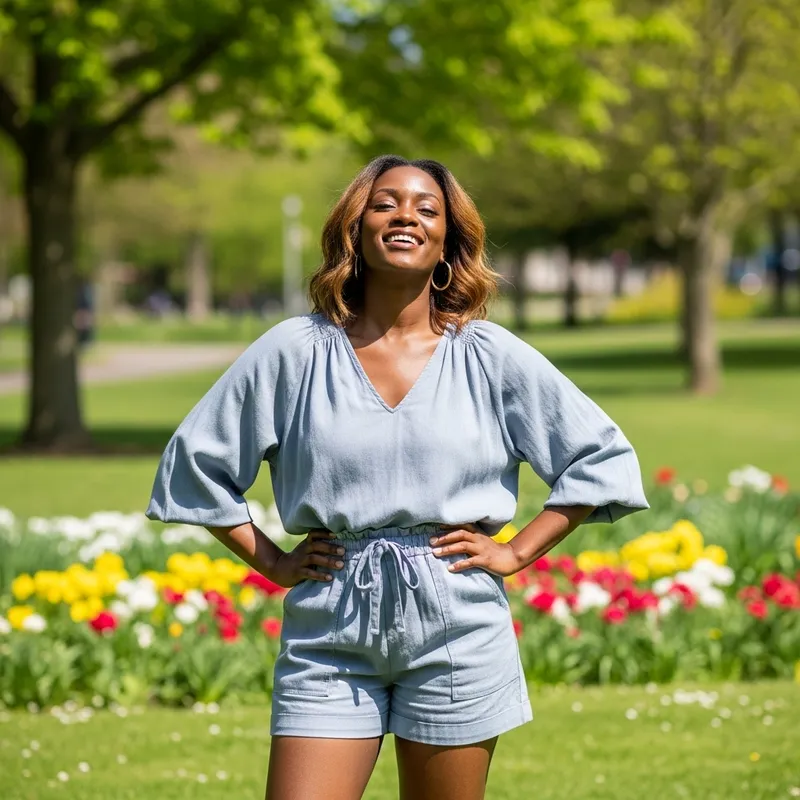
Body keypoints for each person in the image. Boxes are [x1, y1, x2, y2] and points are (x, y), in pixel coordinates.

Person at [146, 155, 649, 800]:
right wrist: (270, 559)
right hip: (330, 621)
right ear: (355, 230)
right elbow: (198, 464)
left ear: (447, 242)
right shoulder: (295, 351)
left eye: (427, 208)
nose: (406, 214)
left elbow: (599, 457)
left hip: (456, 621)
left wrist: (517, 549)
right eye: (386, 203)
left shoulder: (487, 355)